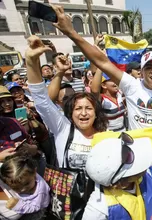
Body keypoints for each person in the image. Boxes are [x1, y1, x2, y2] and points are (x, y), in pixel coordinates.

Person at [50, 9, 152, 130]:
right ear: (142, 72)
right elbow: (102, 62)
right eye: (149, 67)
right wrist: (70, 32)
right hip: (137, 160)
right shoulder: (132, 85)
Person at [25, 35, 108, 169]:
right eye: (78, 108)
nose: (83, 113)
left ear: (96, 113)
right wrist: (31, 60)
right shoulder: (63, 129)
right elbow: (41, 99)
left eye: (88, 108)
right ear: (70, 112)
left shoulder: (105, 134)